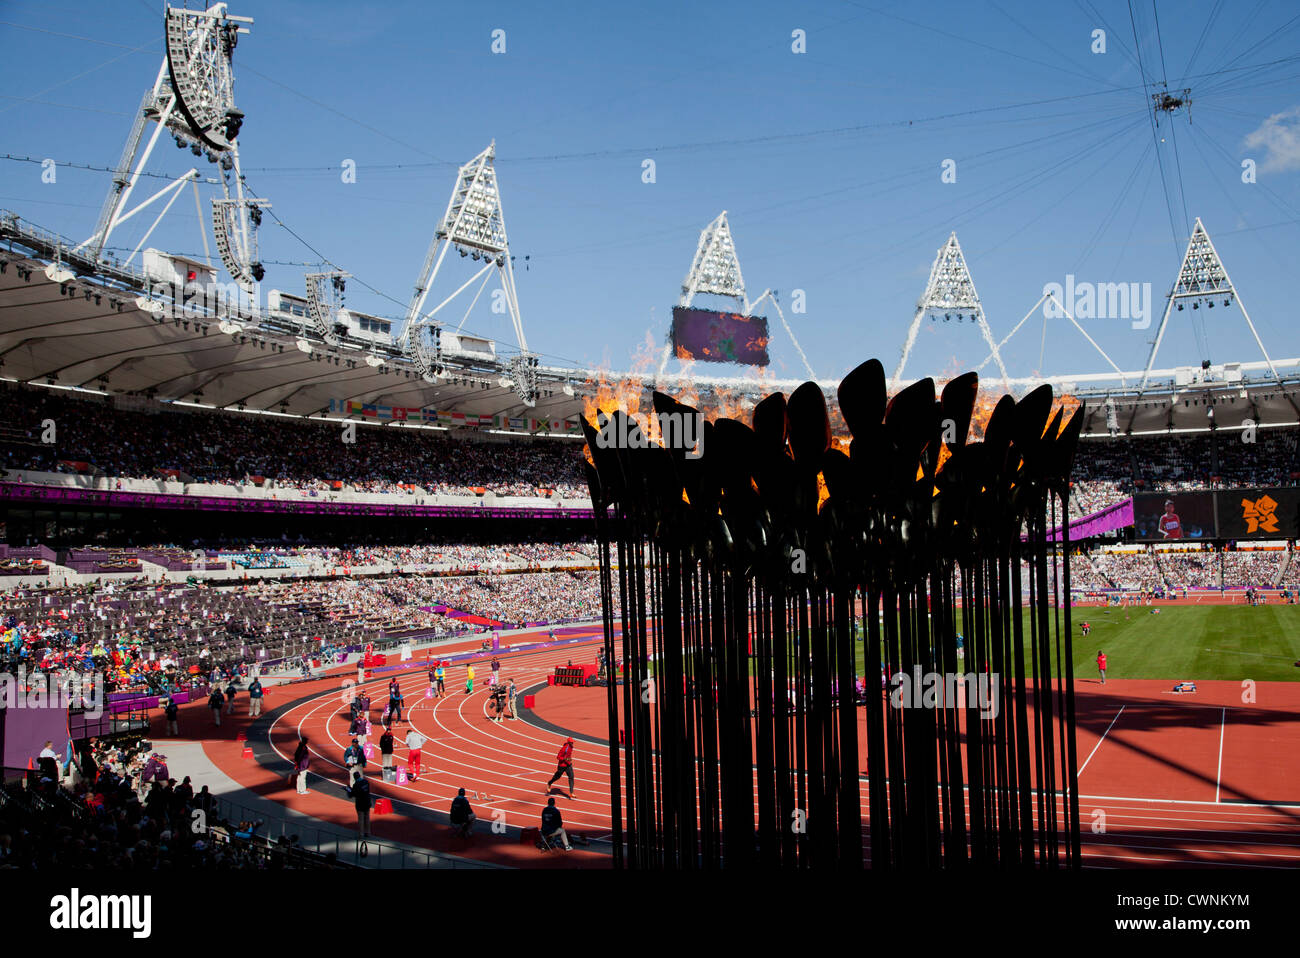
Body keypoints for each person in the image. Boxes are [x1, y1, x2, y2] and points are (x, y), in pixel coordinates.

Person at [350, 773, 373, 838]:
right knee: (367, 818)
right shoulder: (366, 782)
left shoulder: (356, 784)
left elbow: (353, 794)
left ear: (354, 778)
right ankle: (368, 833)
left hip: (360, 803)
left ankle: (361, 834)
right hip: (367, 802)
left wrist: (349, 790)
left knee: (361, 819)